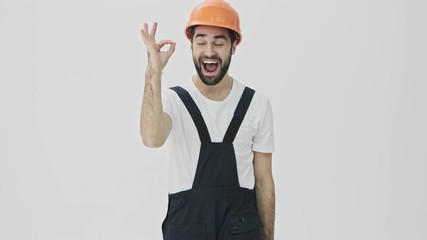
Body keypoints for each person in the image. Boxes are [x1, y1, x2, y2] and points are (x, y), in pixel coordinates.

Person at [139, 0, 275, 239]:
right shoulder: (172, 100)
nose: (209, 52)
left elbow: (264, 181)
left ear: (234, 45)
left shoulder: (256, 105)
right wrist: (153, 71)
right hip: (187, 228)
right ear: (191, 45)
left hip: (242, 228)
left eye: (219, 43)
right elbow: (151, 138)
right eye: (201, 42)